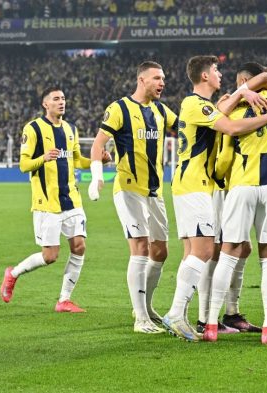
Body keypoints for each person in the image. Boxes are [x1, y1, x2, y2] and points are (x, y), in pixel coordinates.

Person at [163, 56, 267, 341]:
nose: (220, 74)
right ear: (205, 75)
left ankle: (186, 316)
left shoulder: (202, 106)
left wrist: (241, 94)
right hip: (194, 184)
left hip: (192, 184)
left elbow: (222, 111)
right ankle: (176, 313)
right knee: (204, 250)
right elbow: (231, 127)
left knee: (194, 253)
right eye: (216, 70)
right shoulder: (195, 103)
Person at [204, 65, 267, 345]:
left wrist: (220, 176)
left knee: (228, 255)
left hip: (242, 185)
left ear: (244, 82)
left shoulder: (231, 108)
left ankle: (211, 325)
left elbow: (224, 158)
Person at [0, 87, 110, 313]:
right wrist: (43, 157)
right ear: (45, 104)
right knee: (50, 256)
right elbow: (23, 165)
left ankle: (64, 300)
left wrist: (97, 160)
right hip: (47, 203)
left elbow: (77, 160)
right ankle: (13, 274)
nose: (62, 102)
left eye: (63, 99)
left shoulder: (71, 129)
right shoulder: (33, 129)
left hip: (71, 199)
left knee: (79, 246)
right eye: (56, 99)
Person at [87, 62, 178, 334]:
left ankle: (147, 307)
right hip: (128, 189)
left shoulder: (161, 110)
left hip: (155, 191)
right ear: (142, 80)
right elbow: (98, 143)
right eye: (157, 78)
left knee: (160, 251)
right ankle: (140, 318)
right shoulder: (120, 108)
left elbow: (187, 126)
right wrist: (96, 177)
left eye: (163, 78)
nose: (162, 83)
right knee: (139, 247)